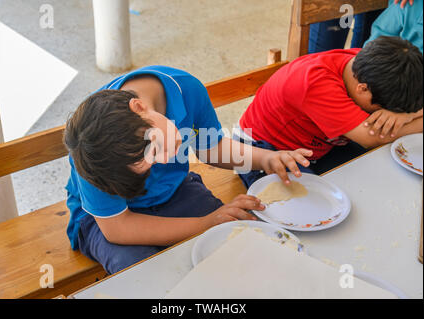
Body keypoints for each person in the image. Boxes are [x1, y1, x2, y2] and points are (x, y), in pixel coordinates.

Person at [63, 65, 313, 274]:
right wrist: (205, 223)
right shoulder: (93, 152)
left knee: (236, 241)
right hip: (106, 219)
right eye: (147, 165)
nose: (162, 161)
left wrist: (267, 158)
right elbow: (118, 228)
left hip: (173, 190)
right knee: (145, 277)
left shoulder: (185, 90)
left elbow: (210, 147)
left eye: (153, 149)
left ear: (139, 107)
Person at [237, 36, 423, 187]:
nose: (386, 115)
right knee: (308, 210)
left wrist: (407, 115)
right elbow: (371, 137)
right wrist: (411, 119)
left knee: (381, 181)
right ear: (362, 89)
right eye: (382, 109)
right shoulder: (316, 84)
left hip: (318, 146)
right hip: (261, 150)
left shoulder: (376, 66)